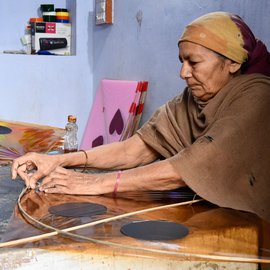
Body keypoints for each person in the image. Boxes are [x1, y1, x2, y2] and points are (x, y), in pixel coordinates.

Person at [11, 12, 270, 223]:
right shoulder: (192, 99)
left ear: (233, 63)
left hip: (253, 225)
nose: (183, 73)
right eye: (181, 61)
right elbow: (135, 149)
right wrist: (60, 161)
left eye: (194, 63)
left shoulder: (257, 96)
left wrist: (94, 183)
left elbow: (184, 169)